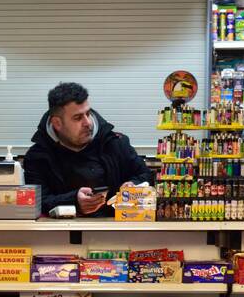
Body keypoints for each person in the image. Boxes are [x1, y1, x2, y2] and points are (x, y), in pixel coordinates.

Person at [23, 82, 153, 217]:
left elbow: (146, 176)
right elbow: (37, 202)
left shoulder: (115, 142)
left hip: (116, 229)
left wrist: (134, 185)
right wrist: (74, 201)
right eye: (78, 118)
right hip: (62, 232)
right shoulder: (37, 156)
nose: (87, 122)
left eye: (88, 113)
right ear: (57, 123)